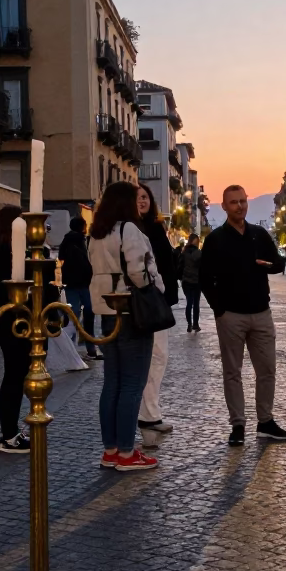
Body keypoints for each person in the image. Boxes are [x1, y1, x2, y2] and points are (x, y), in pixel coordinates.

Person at [199, 184, 286, 445]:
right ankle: (238, 425)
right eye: (233, 202)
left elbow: (278, 263)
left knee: (267, 369)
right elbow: (205, 278)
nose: (239, 206)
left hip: (261, 311)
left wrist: (269, 265)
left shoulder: (259, 234)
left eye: (242, 201)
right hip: (231, 316)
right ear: (225, 206)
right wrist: (219, 309)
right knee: (232, 372)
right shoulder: (215, 240)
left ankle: (266, 421)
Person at [89, 181, 160, 472]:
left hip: (107, 312)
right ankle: (128, 453)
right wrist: (152, 283)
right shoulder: (128, 230)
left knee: (113, 382)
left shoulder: (96, 234)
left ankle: (112, 450)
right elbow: (138, 271)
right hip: (132, 311)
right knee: (133, 383)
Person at [0, 206, 31, 454]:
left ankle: (10, 430)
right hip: (10, 317)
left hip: (9, 317)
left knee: (16, 372)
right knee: (15, 373)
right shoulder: (5, 253)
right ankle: (9, 434)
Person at [135, 183, 179, 444]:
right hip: (148, 301)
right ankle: (148, 414)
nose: (141, 201)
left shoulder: (155, 227)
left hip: (159, 300)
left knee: (159, 357)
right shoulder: (133, 229)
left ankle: (151, 411)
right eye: (137, 198)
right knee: (152, 357)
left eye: (145, 197)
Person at [59, 216, 100, 360]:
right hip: (83, 283)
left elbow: (61, 256)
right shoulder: (81, 241)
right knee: (87, 314)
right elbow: (87, 261)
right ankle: (89, 349)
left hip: (71, 283)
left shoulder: (67, 240)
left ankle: (72, 350)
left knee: (73, 316)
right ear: (81, 227)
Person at [180, 233, 202, 332]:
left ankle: (189, 324)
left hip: (186, 281)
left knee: (189, 302)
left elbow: (180, 265)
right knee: (196, 303)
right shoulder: (199, 253)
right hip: (196, 281)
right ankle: (196, 325)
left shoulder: (184, 252)